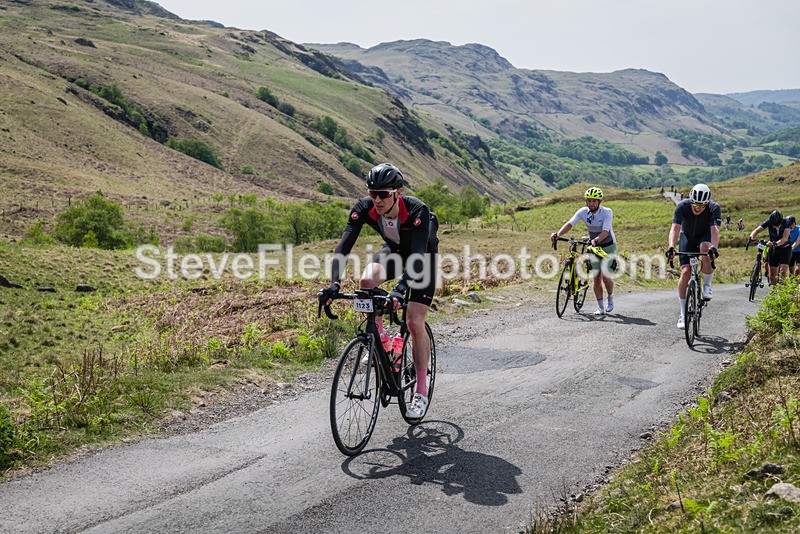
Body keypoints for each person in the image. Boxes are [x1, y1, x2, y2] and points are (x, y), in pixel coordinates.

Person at [319, 163, 439, 419]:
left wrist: (398, 291)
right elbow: (343, 247)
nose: (377, 199)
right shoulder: (364, 208)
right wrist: (334, 284)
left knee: (414, 322)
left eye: (383, 193)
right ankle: (380, 342)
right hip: (395, 251)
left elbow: (417, 259)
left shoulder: (417, 210)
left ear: (398, 191)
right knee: (366, 282)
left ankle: (420, 390)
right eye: (373, 193)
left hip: (422, 258)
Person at [550, 186, 617, 316]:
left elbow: (606, 231)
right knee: (596, 277)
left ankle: (610, 297)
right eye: (589, 201)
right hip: (593, 246)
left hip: (608, 245)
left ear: (600, 201)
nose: (591, 203)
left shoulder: (607, 212)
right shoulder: (582, 212)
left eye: (594, 201)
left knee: (606, 277)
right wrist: (557, 234)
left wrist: (597, 240)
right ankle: (600, 307)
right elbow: (570, 224)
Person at [666, 183, 721, 329]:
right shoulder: (682, 206)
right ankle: (683, 314)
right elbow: (674, 229)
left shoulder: (714, 208)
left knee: (705, 248)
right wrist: (671, 247)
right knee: (685, 272)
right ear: (690, 200)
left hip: (705, 235)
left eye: (702, 206)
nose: (698, 208)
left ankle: (707, 285)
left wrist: (714, 248)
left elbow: (715, 231)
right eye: (695, 205)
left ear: (707, 204)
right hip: (688, 237)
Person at [750, 211, 792, 284]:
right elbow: (757, 230)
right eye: (774, 225)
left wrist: (775, 244)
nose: (776, 226)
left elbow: (784, 239)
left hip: (785, 249)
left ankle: (784, 290)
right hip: (773, 249)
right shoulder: (768, 222)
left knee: (783, 271)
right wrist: (751, 237)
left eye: (778, 224)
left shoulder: (786, 223)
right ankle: (774, 291)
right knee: (772, 273)